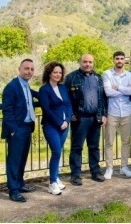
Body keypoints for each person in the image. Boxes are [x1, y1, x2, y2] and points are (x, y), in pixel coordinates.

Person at [64, 54, 107, 186]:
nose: (87, 64)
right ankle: (76, 175)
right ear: (80, 62)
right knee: (77, 147)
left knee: (94, 147)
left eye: (90, 62)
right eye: (85, 62)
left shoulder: (98, 78)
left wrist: (104, 115)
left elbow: (103, 99)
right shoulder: (71, 78)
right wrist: (70, 114)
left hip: (95, 118)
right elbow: (65, 98)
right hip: (80, 119)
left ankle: (95, 172)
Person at [2, 59, 38, 202]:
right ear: (19, 69)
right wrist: (13, 130)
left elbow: (35, 96)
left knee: (22, 158)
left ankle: (20, 183)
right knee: (14, 160)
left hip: (27, 127)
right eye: (26, 68)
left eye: (31, 69)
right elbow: (7, 110)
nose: (29, 71)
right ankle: (13, 190)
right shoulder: (11, 87)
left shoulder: (27, 86)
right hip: (17, 129)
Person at [39, 61, 72, 195]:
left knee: (58, 152)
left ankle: (56, 178)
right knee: (56, 152)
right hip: (51, 126)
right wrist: (60, 122)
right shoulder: (44, 89)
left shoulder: (63, 88)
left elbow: (69, 105)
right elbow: (46, 109)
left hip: (64, 126)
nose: (58, 75)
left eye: (60, 72)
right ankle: (52, 183)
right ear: (49, 73)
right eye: (55, 72)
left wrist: (67, 120)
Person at [102, 51, 131, 179]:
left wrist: (117, 87)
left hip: (127, 113)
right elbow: (108, 92)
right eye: (117, 58)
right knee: (109, 142)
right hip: (112, 112)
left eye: (122, 58)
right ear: (113, 60)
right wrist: (124, 90)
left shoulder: (129, 75)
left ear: (124, 60)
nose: (120, 61)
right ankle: (109, 168)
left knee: (126, 141)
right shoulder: (107, 74)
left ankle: (124, 167)